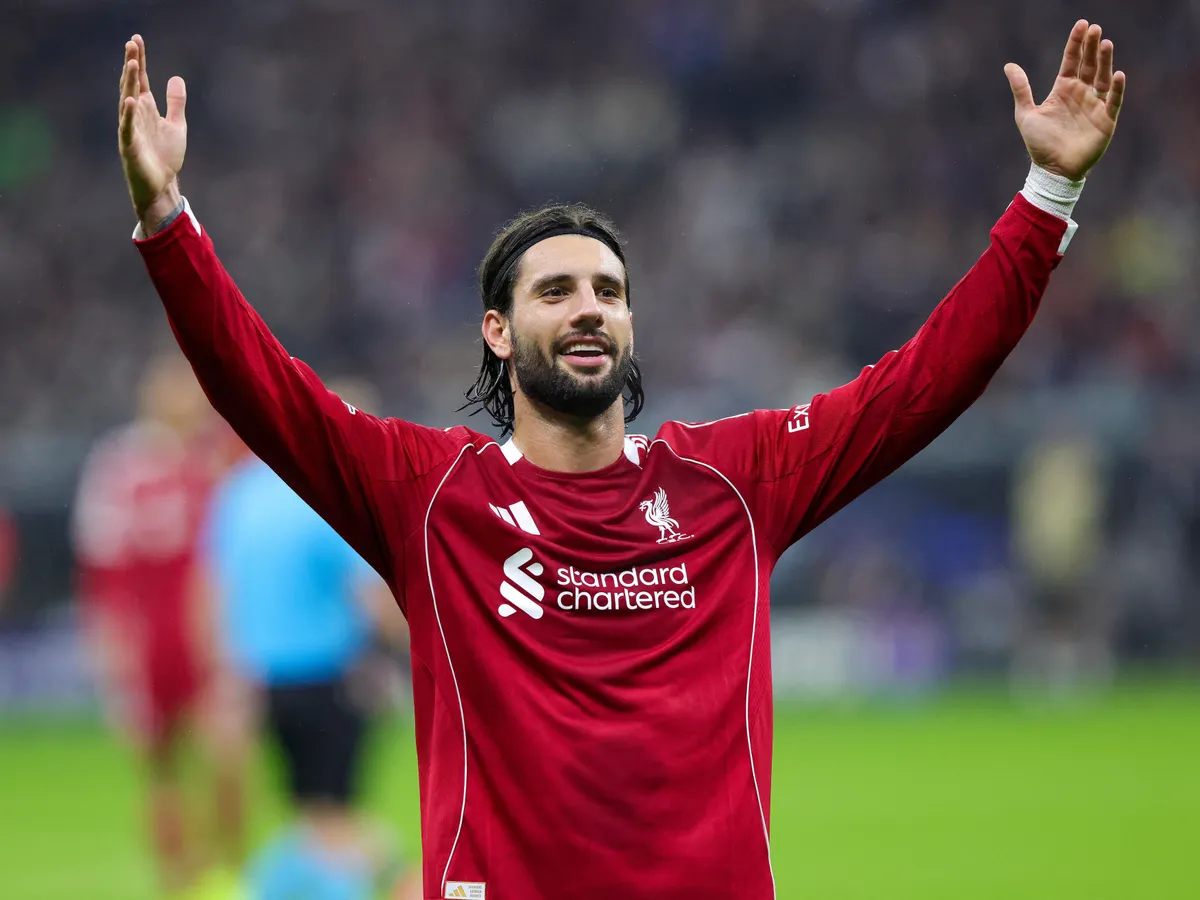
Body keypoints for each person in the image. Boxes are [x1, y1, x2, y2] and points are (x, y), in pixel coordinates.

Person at [116, 21, 1126, 898]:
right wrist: (169, 223)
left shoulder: (735, 483)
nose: (589, 304)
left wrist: (1047, 194)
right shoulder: (429, 496)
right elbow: (260, 386)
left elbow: (925, 381)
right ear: (498, 333)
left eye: (608, 288)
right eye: (554, 290)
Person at [201, 378, 414, 900]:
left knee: (312, 814)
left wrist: (225, 672)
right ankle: (405, 882)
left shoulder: (240, 488)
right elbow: (371, 598)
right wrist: (413, 655)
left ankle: (258, 887)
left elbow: (213, 589)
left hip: (265, 680)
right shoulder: (329, 495)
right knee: (334, 819)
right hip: (329, 677)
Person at [71, 352, 244, 899]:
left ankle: (227, 872)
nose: (182, 398)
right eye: (171, 387)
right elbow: (101, 567)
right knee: (162, 769)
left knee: (227, 757)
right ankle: (178, 882)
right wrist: (112, 646)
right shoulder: (119, 464)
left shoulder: (223, 454)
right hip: (149, 642)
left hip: (215, 639)